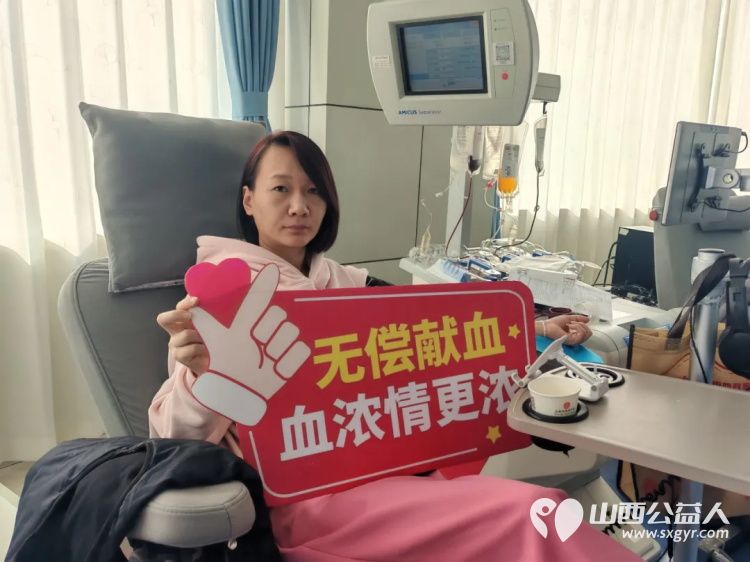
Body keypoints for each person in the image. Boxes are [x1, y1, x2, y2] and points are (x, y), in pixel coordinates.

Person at [150, 131, 636, 562]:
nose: (299, 206)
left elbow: (443, 326)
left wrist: (538, 326)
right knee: (535, 514)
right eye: (281, 189)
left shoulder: (340, 280)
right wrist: (203, 376)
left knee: (532, 512)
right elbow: (171, 439)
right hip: (311, 501)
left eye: (314, 191)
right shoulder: (218, 299)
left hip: (393, 468)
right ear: (248, 199)